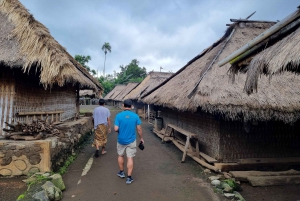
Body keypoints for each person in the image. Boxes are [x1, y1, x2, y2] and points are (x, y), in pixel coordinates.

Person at [114, 99, 144, 184]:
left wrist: (120, 130)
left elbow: (116, 129)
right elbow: (139, 129)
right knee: (130, 157)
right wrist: (141, 138)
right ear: (131, 106)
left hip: (121, 140)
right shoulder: (135, 116)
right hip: (131, 140)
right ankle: (129, 177)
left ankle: (121, 172)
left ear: (123, 105)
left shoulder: (118, 116)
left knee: (120, 155)